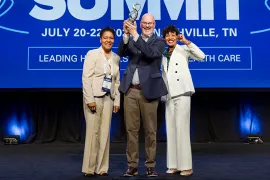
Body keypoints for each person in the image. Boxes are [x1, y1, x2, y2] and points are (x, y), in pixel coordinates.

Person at [118, 13, 167, 177]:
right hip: (130, 90)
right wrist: (125, 35)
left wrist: (134, 35)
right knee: (131, 130)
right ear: (140, 24)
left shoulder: (159, 41)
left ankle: (150, 165)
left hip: (150, 91)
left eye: (150, 23)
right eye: (144, 23)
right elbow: (121, 52)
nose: (147, 25)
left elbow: (150, 54)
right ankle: (132, 165)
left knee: (150, 131)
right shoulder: (132, 37)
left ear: (154, 24)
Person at [161, 25, 205, 176]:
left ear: (177, 36)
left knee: (182, 130)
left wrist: (187, 42)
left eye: (173, 35)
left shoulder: (183, 49)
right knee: (171, 130)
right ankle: (173, 164)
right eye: (168, 35)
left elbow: (201, 56)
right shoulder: (163, 52)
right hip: (168, 94)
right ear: (165, 38)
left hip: (182, 92)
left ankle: (186, 166)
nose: (170, 38)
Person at [81, 26, 120, 177]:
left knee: (105, 133)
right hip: (94, 98)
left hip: (109, 98)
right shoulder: (92, 54)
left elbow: (116, 81)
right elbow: (86, 78)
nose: (108, 40)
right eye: (106, 38)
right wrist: (89, 99)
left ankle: (102, 168)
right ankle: (89, 168)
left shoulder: (116, 58)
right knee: (93, 133)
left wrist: (117, 100)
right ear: (100, 39)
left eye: (111, 38)